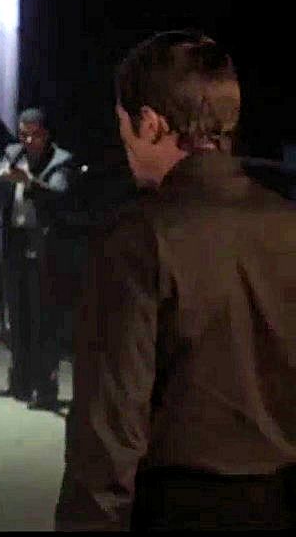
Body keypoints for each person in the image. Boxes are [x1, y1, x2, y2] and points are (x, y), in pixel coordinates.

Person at [55, 29, 296, 530]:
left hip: (177, 505)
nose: (124, 144)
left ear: (151, 124)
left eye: (123, 125)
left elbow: (111, 422)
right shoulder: (287, 223)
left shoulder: (139, 238)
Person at [0, 107, 74, 411]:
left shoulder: (60, 160)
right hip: (14, 242)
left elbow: (59, 192)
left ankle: (45, 387)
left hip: (43, 246)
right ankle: (20, 382)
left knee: (42, 318)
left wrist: (30, 181)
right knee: (17, 315)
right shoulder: (13, 152)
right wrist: (3, 174)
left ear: (45, 134)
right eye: (23, 134)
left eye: (33, 135)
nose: (27, 140)